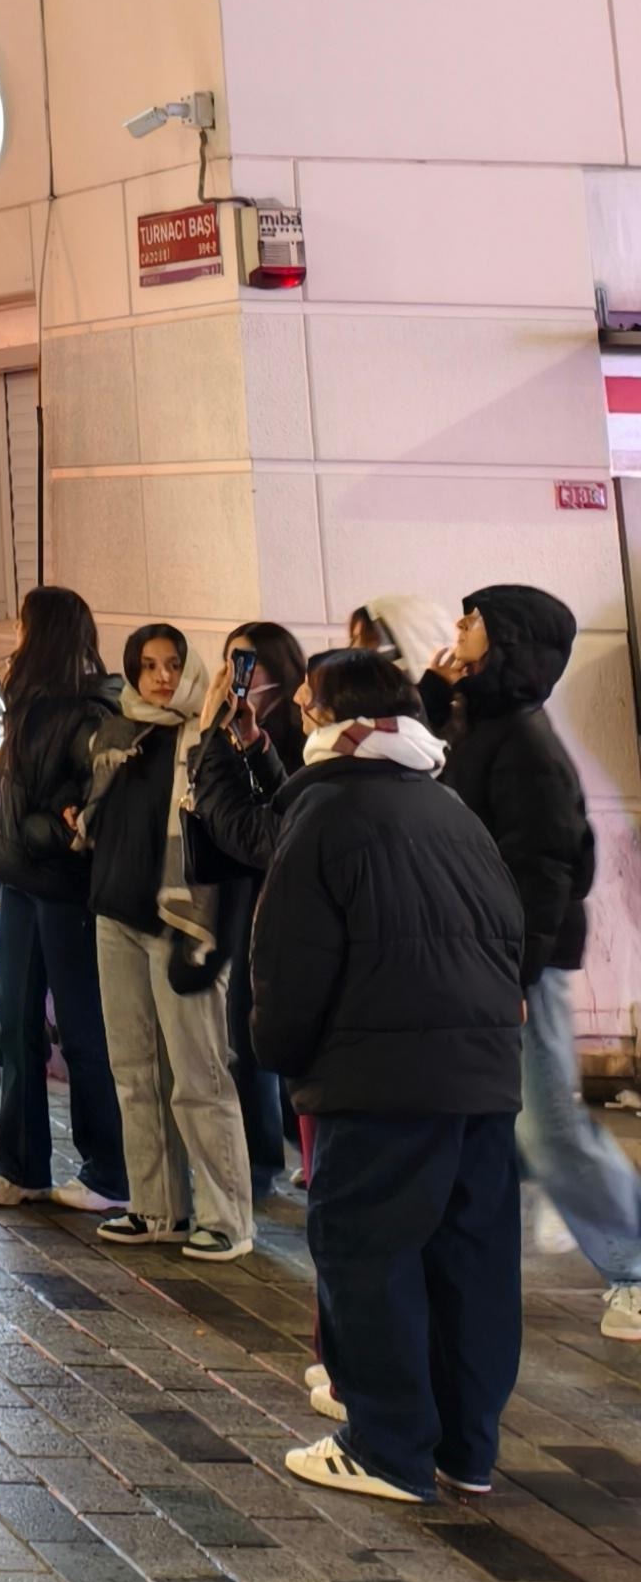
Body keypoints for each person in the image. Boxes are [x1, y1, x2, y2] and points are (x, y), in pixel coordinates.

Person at [250, 644, 529, 1504]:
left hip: (379, 1076)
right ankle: (466, 1451)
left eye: (304, 703)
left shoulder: (326, 809)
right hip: (481, 1075)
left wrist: (281, 1052)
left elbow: (289, 962)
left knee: (367, 1254)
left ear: (330, 718)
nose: (296, 715)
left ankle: (386, 1448)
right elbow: (510, 930)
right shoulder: (446, 803)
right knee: (469, 1265)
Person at [418, 584, 640, 1341]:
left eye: (475, 619)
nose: (459, 626)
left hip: (519, 966)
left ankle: (635, 1265)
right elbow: (416, 765)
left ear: (509, 639)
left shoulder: (523, 741)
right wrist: (433, 693)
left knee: (549, 1130)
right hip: (481, 956)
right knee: (501, 1123)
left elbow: (543, 872)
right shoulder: (477, 720)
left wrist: (515, 974)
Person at [79, 625, 255, 1260]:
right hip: (117, 914)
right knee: (134, 1071)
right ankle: (157, 1208)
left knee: (198, 1076)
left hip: (183, 921)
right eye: (148, 665)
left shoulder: (211, 737)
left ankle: (227, 1218)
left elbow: (235, 830)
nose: (160, 677)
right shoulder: (117, 732)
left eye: (172, 665)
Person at [0, 586, 129, 1219]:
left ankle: (110, 1169)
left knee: (82, 1027)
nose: (14, 636)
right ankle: (20, 1166)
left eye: (22, 624)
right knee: (15, 1022)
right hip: (21, 882)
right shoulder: (29, 703)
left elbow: (93, 804)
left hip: (62, 887)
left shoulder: (86, 711)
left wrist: (44, 830)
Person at [208, 620, 310, 1203]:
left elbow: (275, 818)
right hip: (242, 892)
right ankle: (268, 1152)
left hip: (285, 897)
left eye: (247, 664)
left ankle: (278, 1152)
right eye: (229, 661)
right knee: (243, 1027)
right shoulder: (231, 727)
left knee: (265, 1028)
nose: (236, 676)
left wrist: (231, 744)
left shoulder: (295, 729)